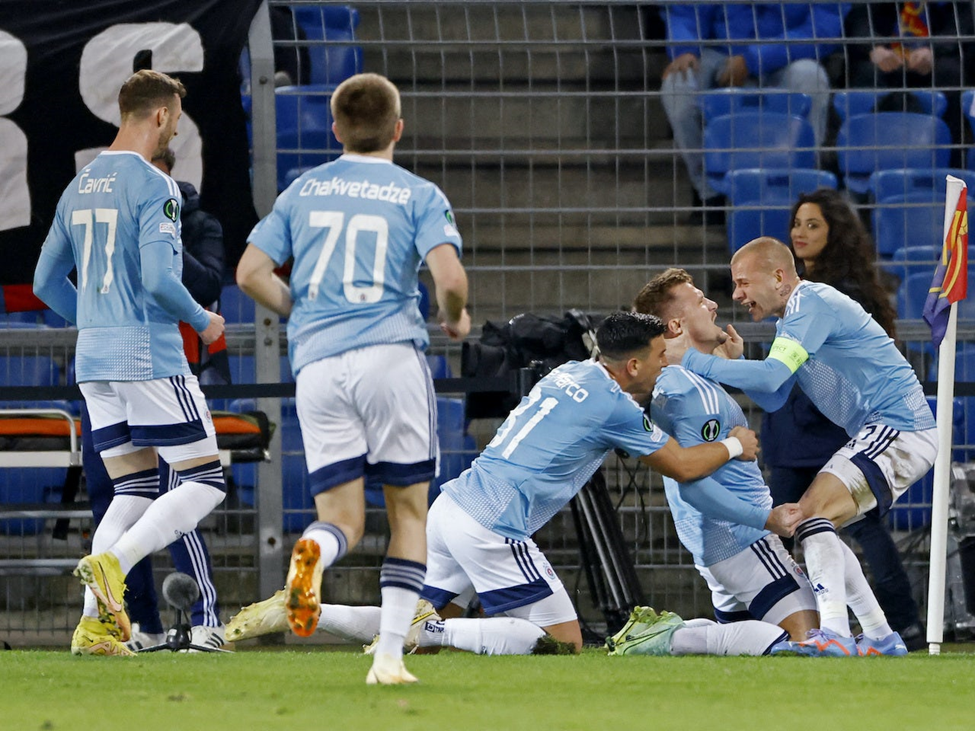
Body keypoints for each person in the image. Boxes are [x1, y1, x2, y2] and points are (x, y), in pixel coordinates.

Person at [226, 312, 789, 659]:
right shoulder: (615, 406)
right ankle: (433, 632)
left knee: (417, 615)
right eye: (660, 358)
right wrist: (735, 444)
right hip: (494, 523)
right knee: (562, 641)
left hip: (454, 505)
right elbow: (684, 466)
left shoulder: (568, 372)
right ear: (634, 366)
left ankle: (303, 610)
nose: (666, 366)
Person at [236, 72, 471, 685]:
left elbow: (251, 272)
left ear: (336, 129)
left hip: (319, 364)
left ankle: (312, 555)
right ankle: (388, 657)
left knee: (341, 518)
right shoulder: (417, 193)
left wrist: (302, 314)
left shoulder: (302, 190)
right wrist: (455, 318)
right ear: (398, 128)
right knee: (408, 514)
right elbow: (449, 280)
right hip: (389, 356)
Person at [33, 69, 227, 657]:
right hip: (148, 353)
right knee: (206, 481)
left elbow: (44, 283)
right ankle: (114, 564)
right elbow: (160, 280)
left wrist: (95, 319)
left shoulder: (78, 185)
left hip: (94, 359)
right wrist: (203, 319)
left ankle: (94, 625)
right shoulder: (154, 185)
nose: (175, 131)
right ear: (162, 115)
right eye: (176, 120)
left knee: (134, 489)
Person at [678, 236, 937, 656]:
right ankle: (879, 636)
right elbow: (775, 395)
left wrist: (688, 359)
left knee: (810, 514)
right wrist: (732, 364)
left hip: (898, 427)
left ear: (779, 277)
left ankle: (835, 633)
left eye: (743, 282)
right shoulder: (792, 319)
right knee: (815, 522)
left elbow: (769, 376)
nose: (737, 295)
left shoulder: (810, 302)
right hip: (887, 432)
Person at [78, 145, 229, 653]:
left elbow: (207, 281)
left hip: (160, 364)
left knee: (178, 490)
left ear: (166, 176)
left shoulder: (196, 222)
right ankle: (129, 622)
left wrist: (160, 238)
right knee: (121, 494)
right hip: (123, 362)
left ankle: (204, 620)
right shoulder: (108, 215)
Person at [762, 188, 926, 650]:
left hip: (831, 431)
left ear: (837, 233)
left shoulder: (835, 295)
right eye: (797, 223)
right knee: (791, 528)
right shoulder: (795, 295)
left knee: (855, 528)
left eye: (813, 224)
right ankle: (817, 626)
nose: (800, 232)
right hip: (792, 434)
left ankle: (891, 625)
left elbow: (843, 371)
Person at [631, 268, 820, 646]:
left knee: (749, 652)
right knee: (812, 643)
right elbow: (693, 485)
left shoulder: (678, 380)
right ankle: (669, 640)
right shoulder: (689, 391)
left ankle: (682, 638)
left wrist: (731, 363)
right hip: (744, 540)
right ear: (675, 325)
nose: (714, 304)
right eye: (700, 301)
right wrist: (765, 519)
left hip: (718, 546)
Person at [659, 3, 847, 221]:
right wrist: (685, 49)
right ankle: (710, 194)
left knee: (811, 78)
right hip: (720, 52)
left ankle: (801, 184)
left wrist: (755, 58)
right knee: (678, 86)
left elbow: (823, 26)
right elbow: (686, 11)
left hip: (790, 53)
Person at [845, 1, 975, 168]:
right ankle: (865, 161)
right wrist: (874, 47)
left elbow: (961, 26)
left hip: (935, 61)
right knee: (866, 75)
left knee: (950, 74)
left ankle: (948, 163)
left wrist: (933, 50)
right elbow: (860, 21)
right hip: (886, 59)